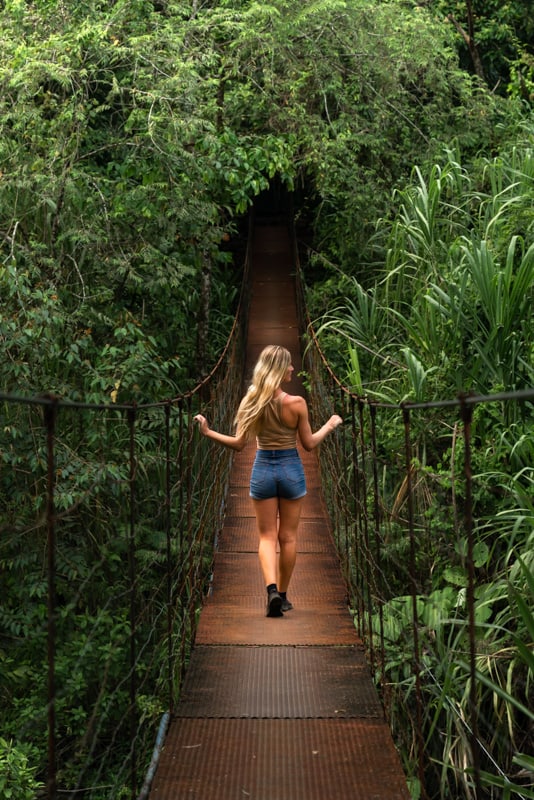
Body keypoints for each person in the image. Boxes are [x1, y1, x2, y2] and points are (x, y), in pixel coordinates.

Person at [194, 345, 343, 617]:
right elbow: (309, 445)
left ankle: (271, 590)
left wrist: (208, 432)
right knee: (288, 537)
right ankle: (283, 597)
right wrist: (330, 425)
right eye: (287, 365)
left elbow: (239, 444)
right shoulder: (297, 403)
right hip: (291, 470)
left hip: (262, 469)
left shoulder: (251, 400)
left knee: (266, 537)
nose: (292, 369)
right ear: (277, 369)